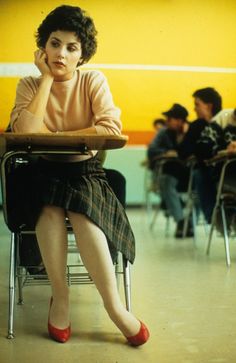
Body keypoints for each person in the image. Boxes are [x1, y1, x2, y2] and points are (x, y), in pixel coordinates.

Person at [9, 5, 149, 345]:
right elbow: (24, 131)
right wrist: (45, 80)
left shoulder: (92, 80)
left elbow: (110, 127)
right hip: (41, 173)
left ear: (82, 55)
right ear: (43, 47)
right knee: (50, 208)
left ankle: (115, 307)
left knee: (83, 215)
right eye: (55, 44)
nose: (61, 54)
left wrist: (53, 136)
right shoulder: (29, 83)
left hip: (84, 172)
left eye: (72, 48)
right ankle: (62, 296)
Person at [178, 87, 223, 223]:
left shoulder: (226, 122)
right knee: (200, 173)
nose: (194, 109)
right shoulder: (196, 126)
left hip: (224, 168)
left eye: (197, 104)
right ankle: (213, 218)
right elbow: (183, 151)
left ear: (209, 106)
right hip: (204, 169)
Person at [147, 103, 192, 238]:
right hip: (171, 173)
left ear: (180, 121)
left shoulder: (192, 132)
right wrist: (167, 152)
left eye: (169, 118)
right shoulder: (164, 133)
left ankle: (186, 219)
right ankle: (182, 221)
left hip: (189, 174)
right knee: (165, 180)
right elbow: (151, 150)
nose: (166, 121)